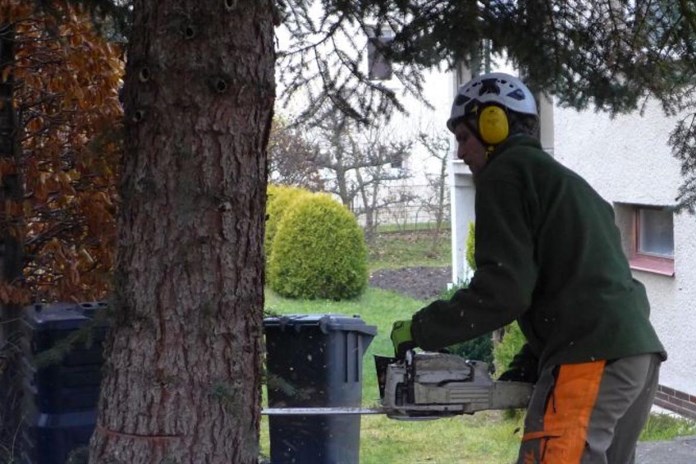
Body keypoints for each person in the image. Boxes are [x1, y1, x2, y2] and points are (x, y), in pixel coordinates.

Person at [390, 72, 666, 464]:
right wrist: (529, 364)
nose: (461, 153)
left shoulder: (505, 174)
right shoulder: (564, 183)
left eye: (464, 138)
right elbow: (577, 286)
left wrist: (423, 328)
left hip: (589, 359)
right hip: (637, 356)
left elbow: (503, 291)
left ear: (493, 125)